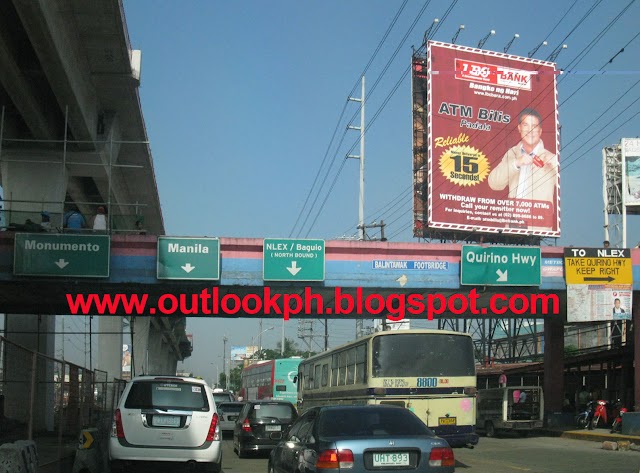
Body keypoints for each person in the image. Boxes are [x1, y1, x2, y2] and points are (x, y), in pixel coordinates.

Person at [487, 108, 558, 229]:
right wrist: (516, 163)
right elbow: (494, 183)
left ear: (540, 131)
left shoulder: (551, 159)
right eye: (526, 125)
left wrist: (554, 168)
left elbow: (571, 190)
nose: (530, 130)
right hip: (512, 225)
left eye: (534, 126)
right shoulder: (512, 153)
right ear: (519, 128)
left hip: (537, 227)